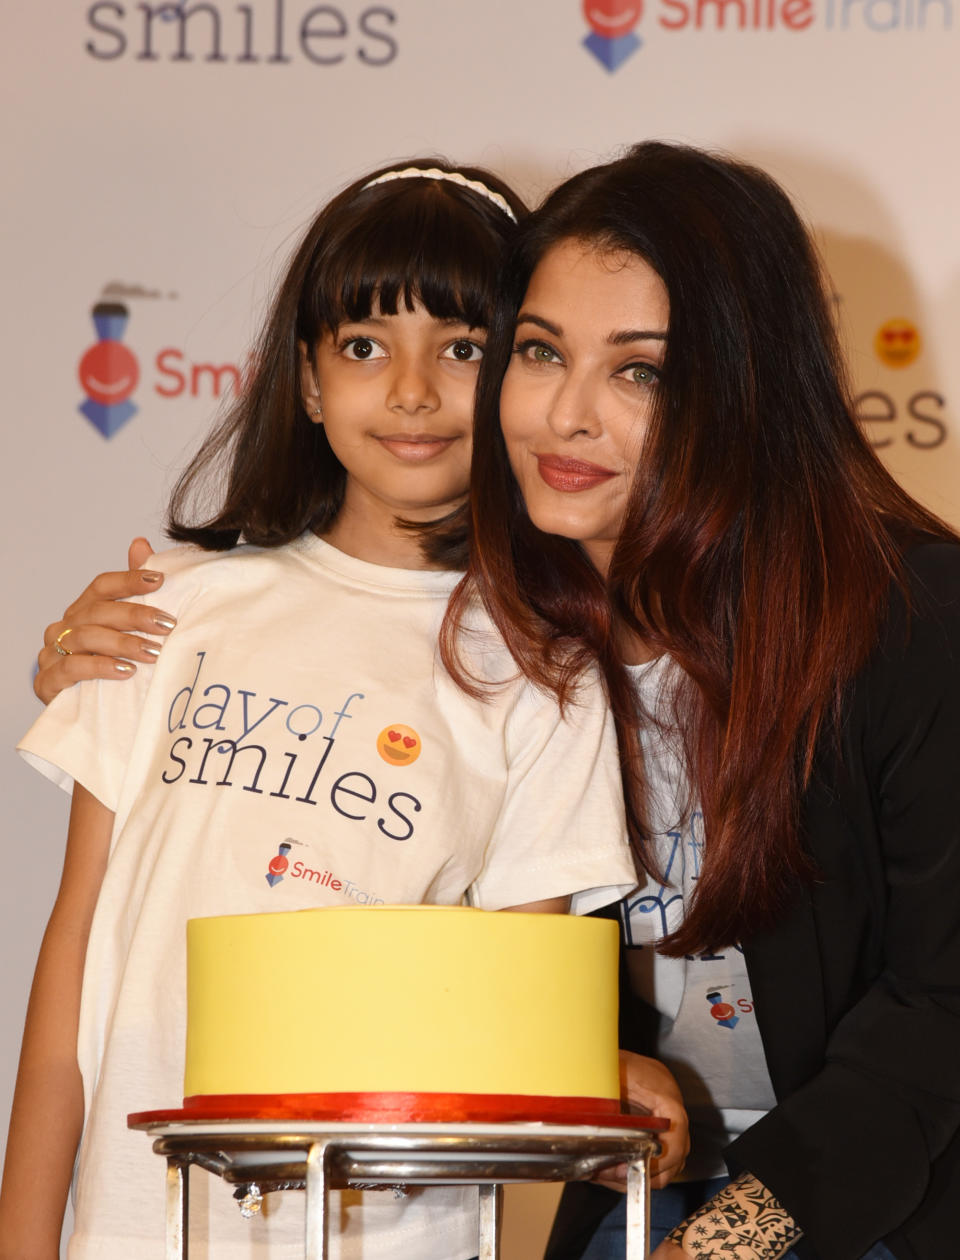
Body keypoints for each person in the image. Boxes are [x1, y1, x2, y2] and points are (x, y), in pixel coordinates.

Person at [1, 159, 651, 1260]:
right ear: (305, 379)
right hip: (134, 1226)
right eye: (363, 346)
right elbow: (74, 951)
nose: (410, 391)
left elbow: (514, 1027)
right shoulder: (165, 606)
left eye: (463, 349)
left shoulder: (547, 671)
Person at [437, 142, 960, 1259]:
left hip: (874, 1204)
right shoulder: (504, 630)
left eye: (640, 372)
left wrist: (728, 1245)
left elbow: (943, 1012)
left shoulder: (914, 619)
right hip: (627, 1192)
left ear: (748, 392)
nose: (565, 415)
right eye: (539, 352)